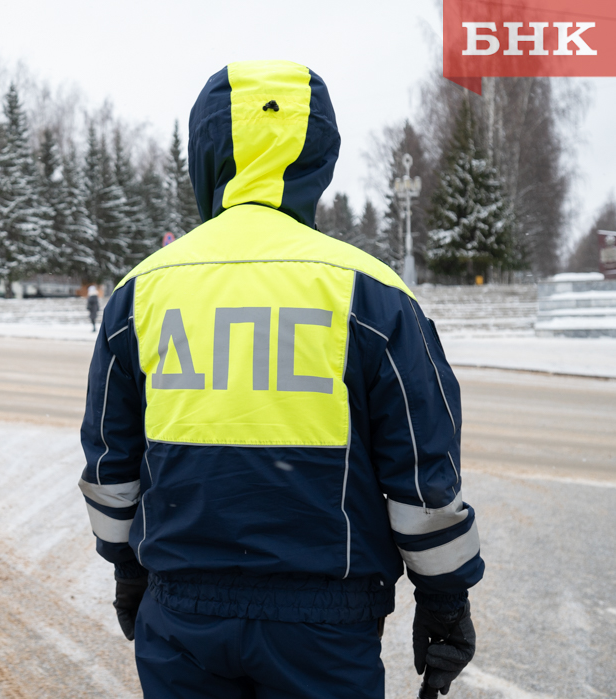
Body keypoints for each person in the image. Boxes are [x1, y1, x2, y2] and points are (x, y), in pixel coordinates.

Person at [78, 60, 482, 699]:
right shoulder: (372, 294)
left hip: (183, 610)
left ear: (205, 154)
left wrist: (127, 569)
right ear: (318, 156)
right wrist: (445, 598)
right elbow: (425, 474)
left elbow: (110, 463)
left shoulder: (140, 293)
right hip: (325, 622)